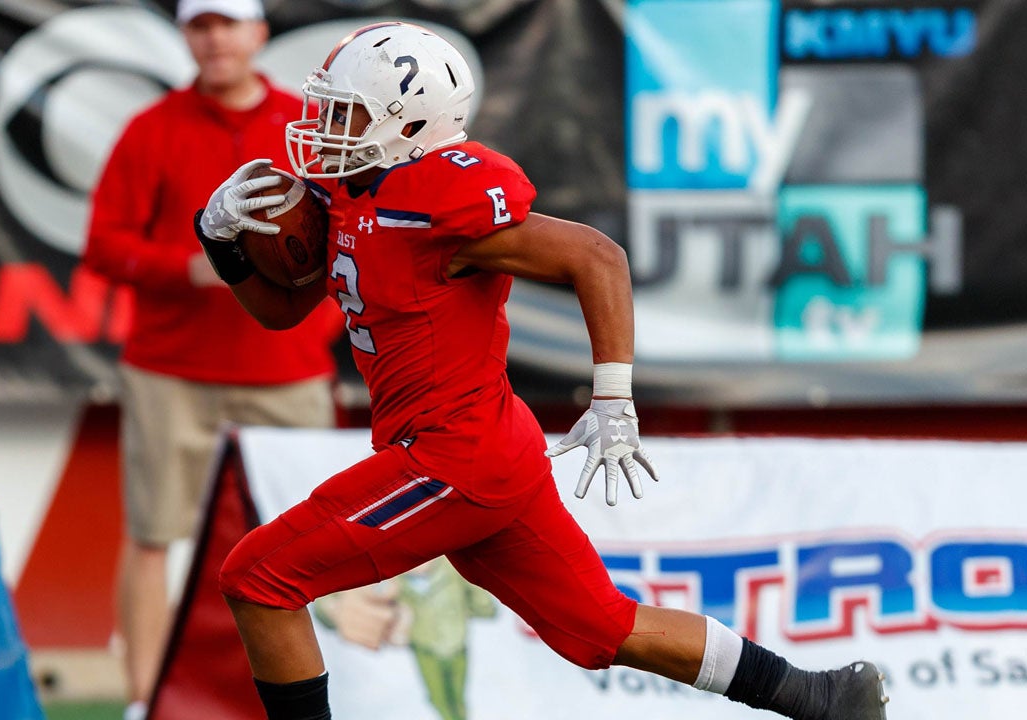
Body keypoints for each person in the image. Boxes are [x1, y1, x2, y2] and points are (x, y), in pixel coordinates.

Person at [193, 21, 890, 720]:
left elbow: (595, 255)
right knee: (601, 628)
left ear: (405, 122)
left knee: (259, 578)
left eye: (346, 112)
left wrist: (613, 396)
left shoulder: (438, 193)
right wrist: (220, 240)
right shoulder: (348, 194)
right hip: (484, 452)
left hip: (450, 458)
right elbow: (281, 314)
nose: (325, 127)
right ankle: (821, 697)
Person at [82, 1, 343, 718]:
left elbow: (350, 227)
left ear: (259, 33)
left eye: (228, 22)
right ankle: (143, 700)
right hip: (172, 372)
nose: (215, 38)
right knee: (152, 536)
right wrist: (191, 267)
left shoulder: (307, 128)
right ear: (185, 36)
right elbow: (104, 244)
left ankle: (330, 693)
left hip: (288, 372)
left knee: (319, 546)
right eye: (200, 25)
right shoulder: (150, 128)